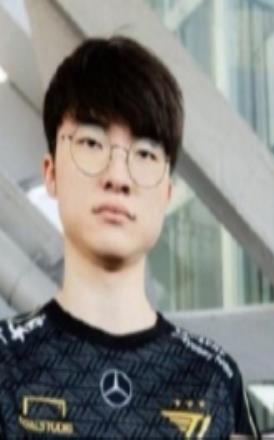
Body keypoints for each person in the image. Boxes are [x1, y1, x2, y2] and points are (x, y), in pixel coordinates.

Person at [0, 36, 258, 439]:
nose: (118, 176)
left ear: (167, 192)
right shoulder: (7, 364)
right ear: (51, 173)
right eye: (91, 143)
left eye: (145, 153)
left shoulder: (214, 381)